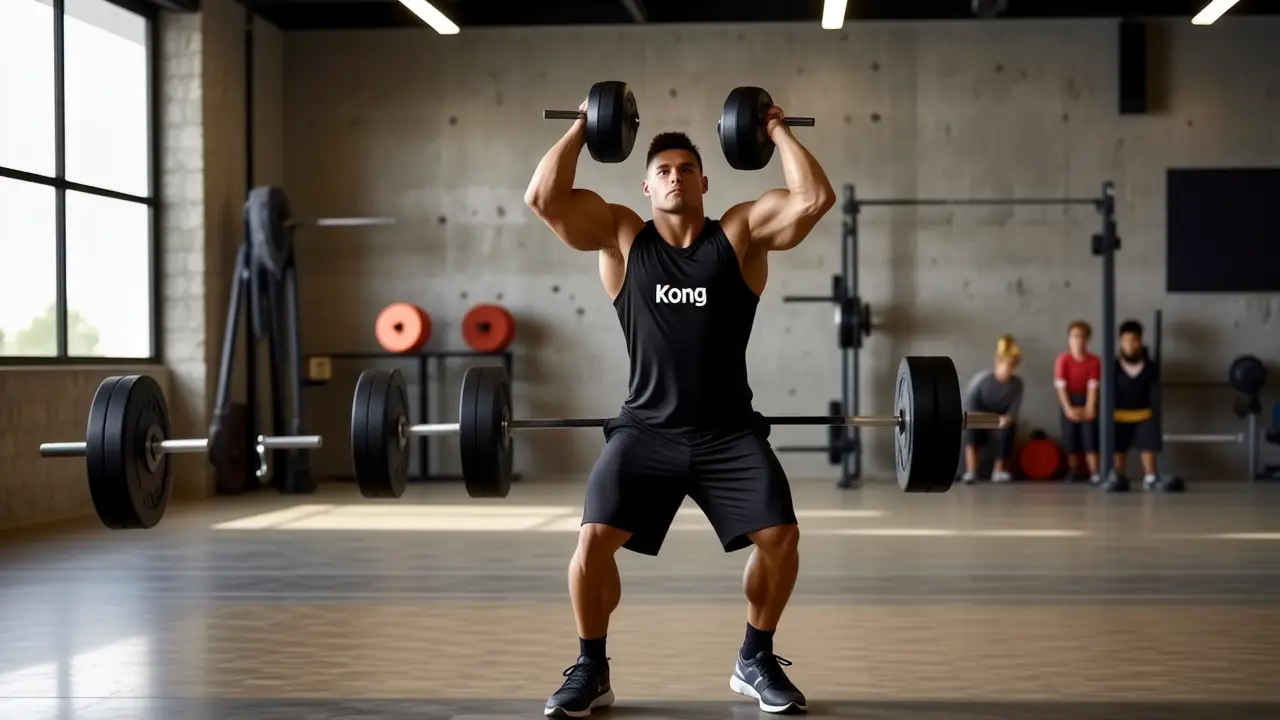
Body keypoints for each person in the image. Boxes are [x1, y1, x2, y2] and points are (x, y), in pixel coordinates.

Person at [525, 98, 835, 718]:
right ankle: (591, 668)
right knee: (592, 544)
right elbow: (545, 199)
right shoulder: (622, 236)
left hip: (728, 432)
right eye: (663, 169)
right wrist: (586, 123)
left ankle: (756, 657)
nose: (674, 176)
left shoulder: (740, 234)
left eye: (685, 168)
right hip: (645, 431)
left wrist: (773, 126)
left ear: (704, 181)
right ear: (645, 185)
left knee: (781, 537)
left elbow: (812, 200)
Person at [1106, 319, 1162, 491]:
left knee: (1148, 442)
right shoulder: (1113, 366)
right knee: (1117, 447)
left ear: (1140, 341)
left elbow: (1154, 395)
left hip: (1143, 414)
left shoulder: (1150, 367)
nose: (1130, 345)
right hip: (1118, 415)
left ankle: (1150, 477)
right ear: (1120, 342)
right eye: (1126, 341)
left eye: (1134, 340)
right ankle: (1118, 477)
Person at [961, 335, 1025, 484]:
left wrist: (1007, 419)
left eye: (1012, 365)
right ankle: (971, 472)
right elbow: (969, 406)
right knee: (970, 429)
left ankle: (999, 470)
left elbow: (1013, 410)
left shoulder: (1017, 384)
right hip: (977, 418)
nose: (1007, 369)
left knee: (1009, 430)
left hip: (1000, 421)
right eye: (1005, 364)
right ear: (997, 363)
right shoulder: (981, 380)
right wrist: (987, 418)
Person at [1054, 320, 1101, 483]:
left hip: (1088, 399)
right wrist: (1068, 409)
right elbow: (1061, 386)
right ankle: (1073, 470)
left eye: (1082, 337)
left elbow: (1093, 385)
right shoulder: (1063, 360)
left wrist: (1090, 407)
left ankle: (1094, 471)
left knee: (1090, 435)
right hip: (1069, 399)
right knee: (1070, 435)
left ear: (1087, 340)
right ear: (1069, 339)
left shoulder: (1094, 361)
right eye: (1075, 336)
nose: (1078, 340)